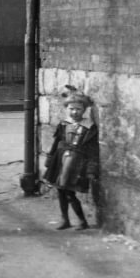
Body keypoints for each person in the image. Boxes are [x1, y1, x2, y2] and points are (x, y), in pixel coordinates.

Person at [43, 86, 99, 230]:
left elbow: (92, 151)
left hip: (77, 164)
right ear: (66, 109)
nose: (74, 112)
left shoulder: (89, 127)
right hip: (61, 161)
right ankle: (65, 219)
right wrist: (50, 159)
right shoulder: (63, 125)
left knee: (69, 192)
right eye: (71, 109)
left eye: (78, 109)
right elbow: (57, 143)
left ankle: (82, 221)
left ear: (84, 110)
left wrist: (91, 170)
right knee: (60, 190)